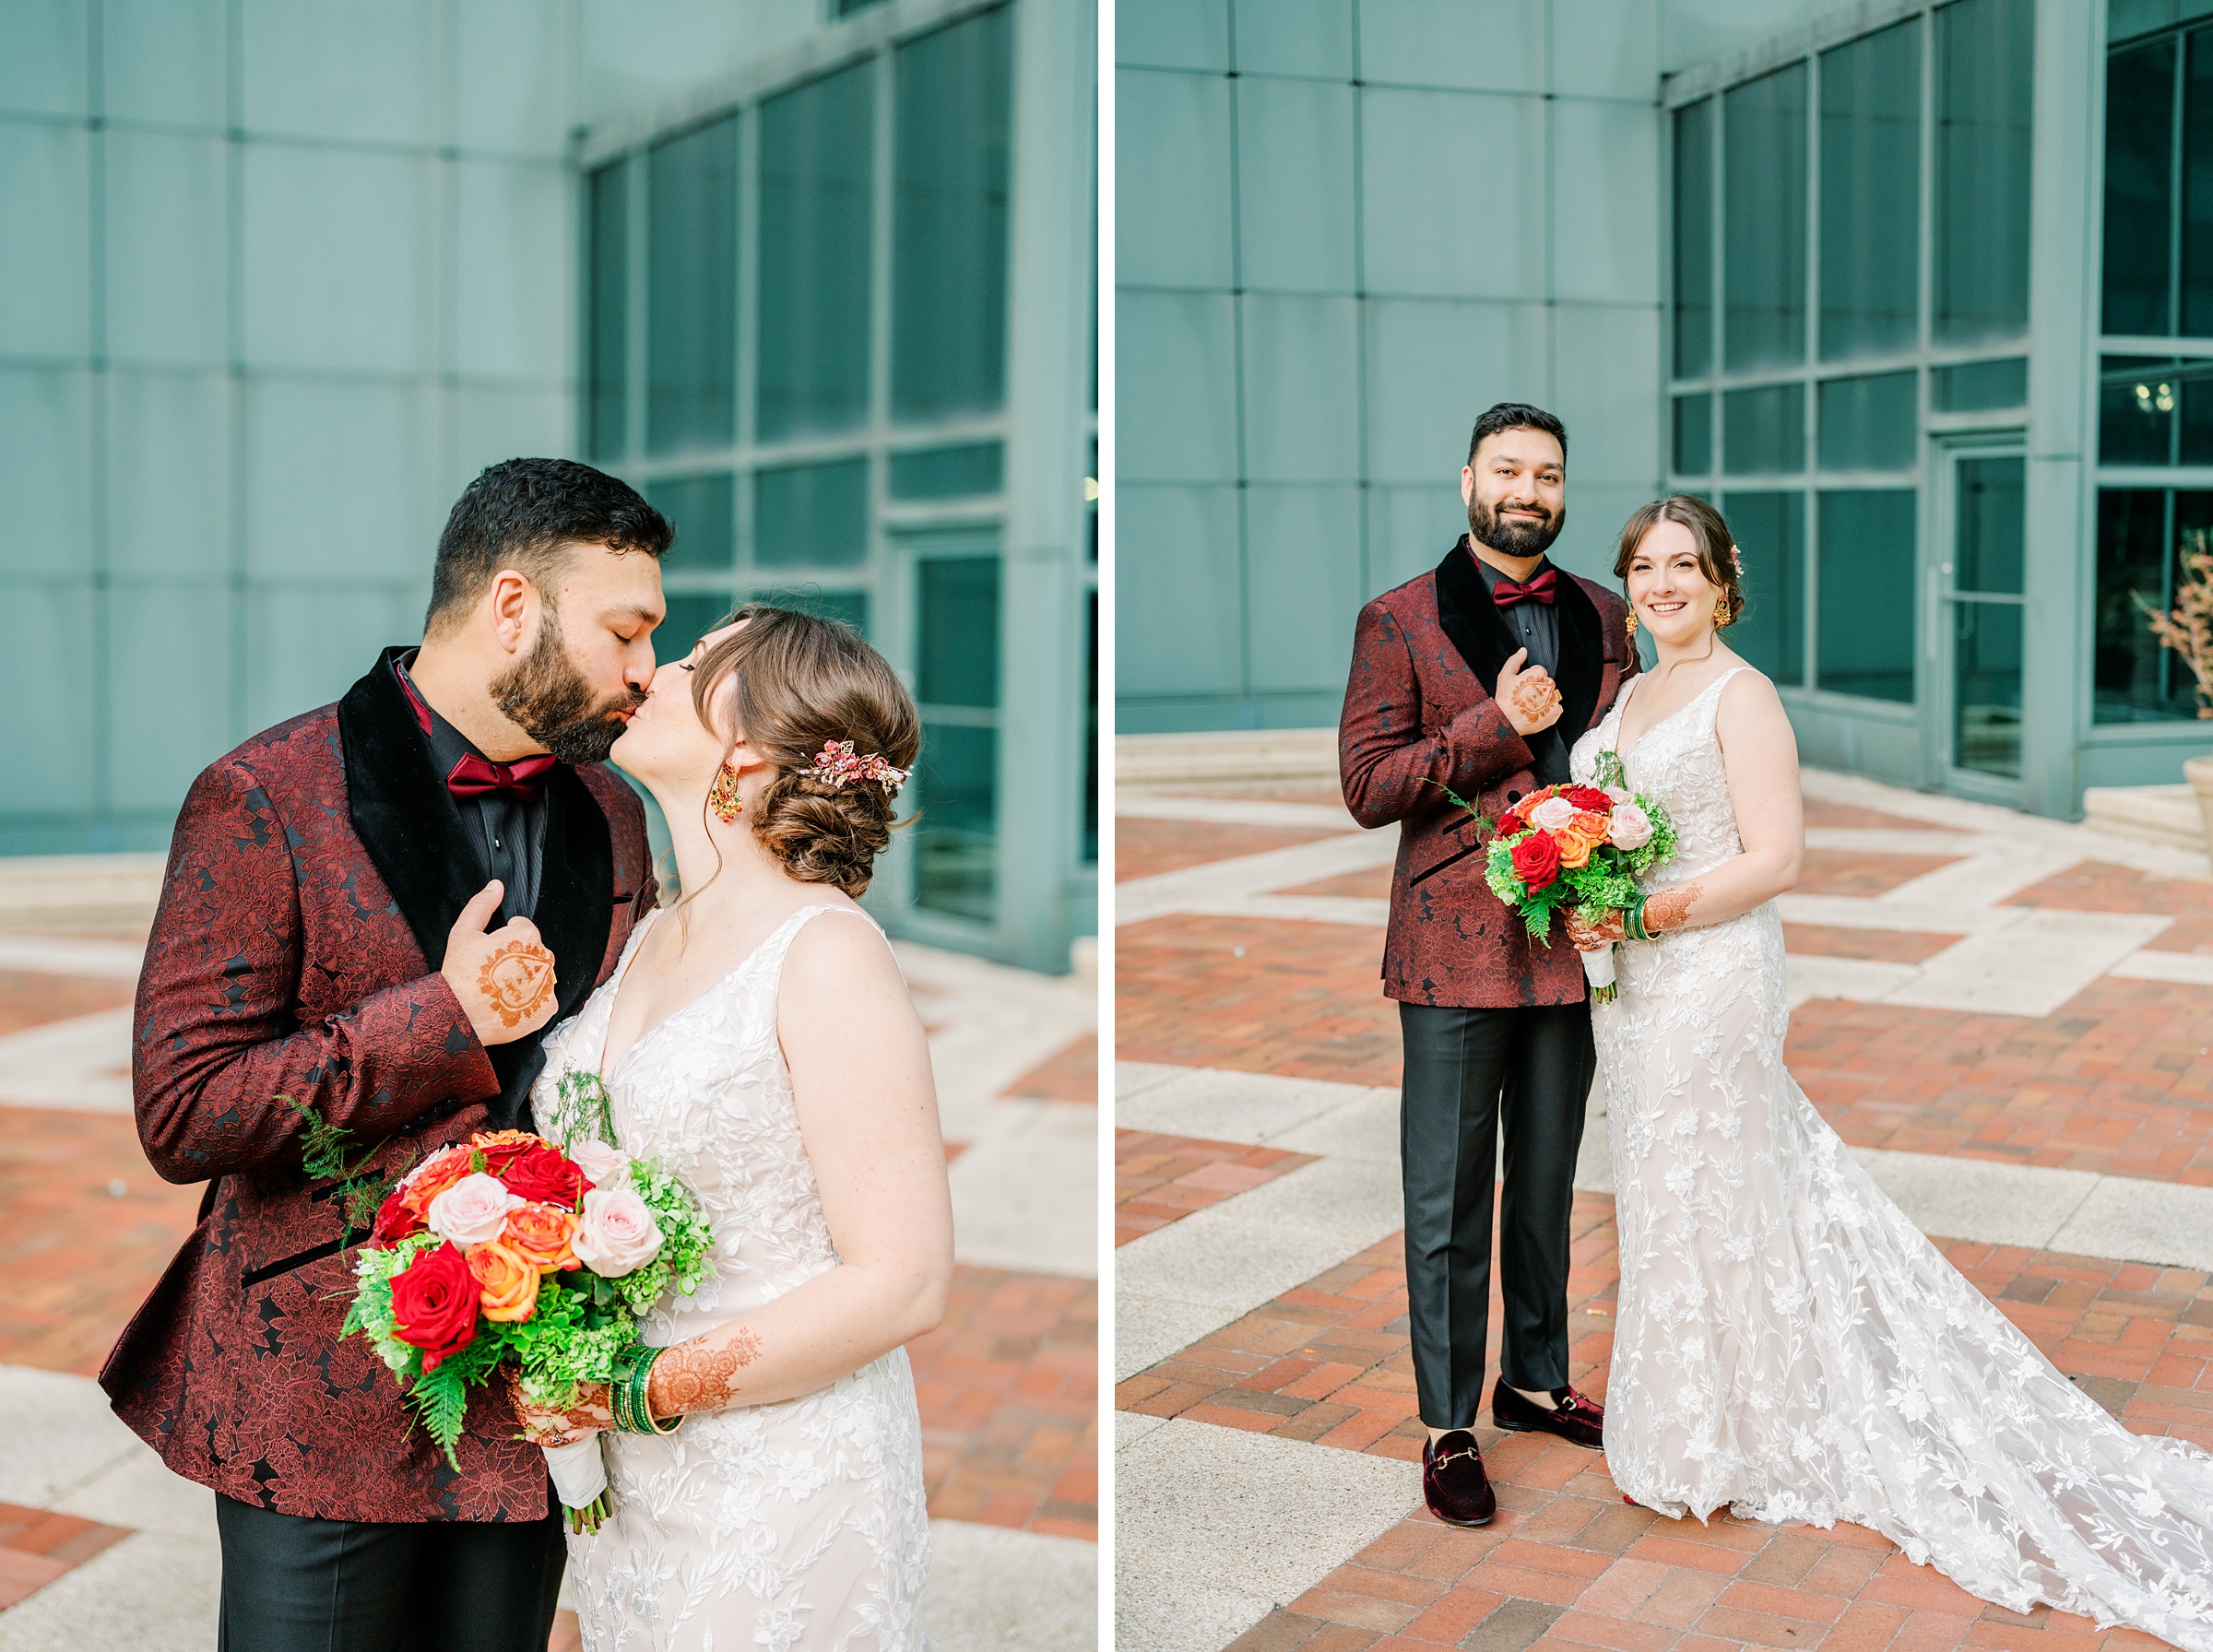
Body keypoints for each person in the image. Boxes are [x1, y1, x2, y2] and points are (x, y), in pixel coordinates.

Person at [1566, 494, 2213, 1648]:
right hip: (1640, 984)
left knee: (1718, 1180)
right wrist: (1588, 909)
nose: (1663, 583)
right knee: (1670, 1193)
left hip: (1710, 974)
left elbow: (1777, 858)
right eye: (1645, 566)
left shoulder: (1742, 695)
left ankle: (1742, 1431)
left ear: (1723, 581)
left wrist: (1647, 912)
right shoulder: (1628, 697)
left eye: (1685, 565)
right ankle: (1700, 1420)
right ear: (1630, 583)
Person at [102, 458, 671, 1649]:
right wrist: (443, 1024)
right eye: (626, 631)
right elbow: (183, 1109)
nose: (644, 672)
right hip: (316, 1396)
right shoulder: (263, 795)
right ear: (512, 606)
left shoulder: (616, 815)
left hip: (527, 1397)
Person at [508, 605, 953, 1651]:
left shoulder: (827, 954)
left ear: (747, 751)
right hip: (627, 1487)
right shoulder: (651, 929)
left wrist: (634, 1390)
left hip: (781, 1477)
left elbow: (904, 1279)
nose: (658, 669)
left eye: (699, 662)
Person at [1338, 402, 1640, 1528]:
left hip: (1570, 940)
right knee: (1447, 1195)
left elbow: (1623, 760)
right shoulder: (1397, 618)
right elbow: (1368, 786)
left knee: (1550, 1178)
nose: (1529, 489)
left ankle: (1534, 1378)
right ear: (1468, 477)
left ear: (1564, 490)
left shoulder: (1607, 612)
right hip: (1452, 950)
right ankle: (1447, 1421)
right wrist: (1496, 725)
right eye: (1509, 469)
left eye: (1548, 473)